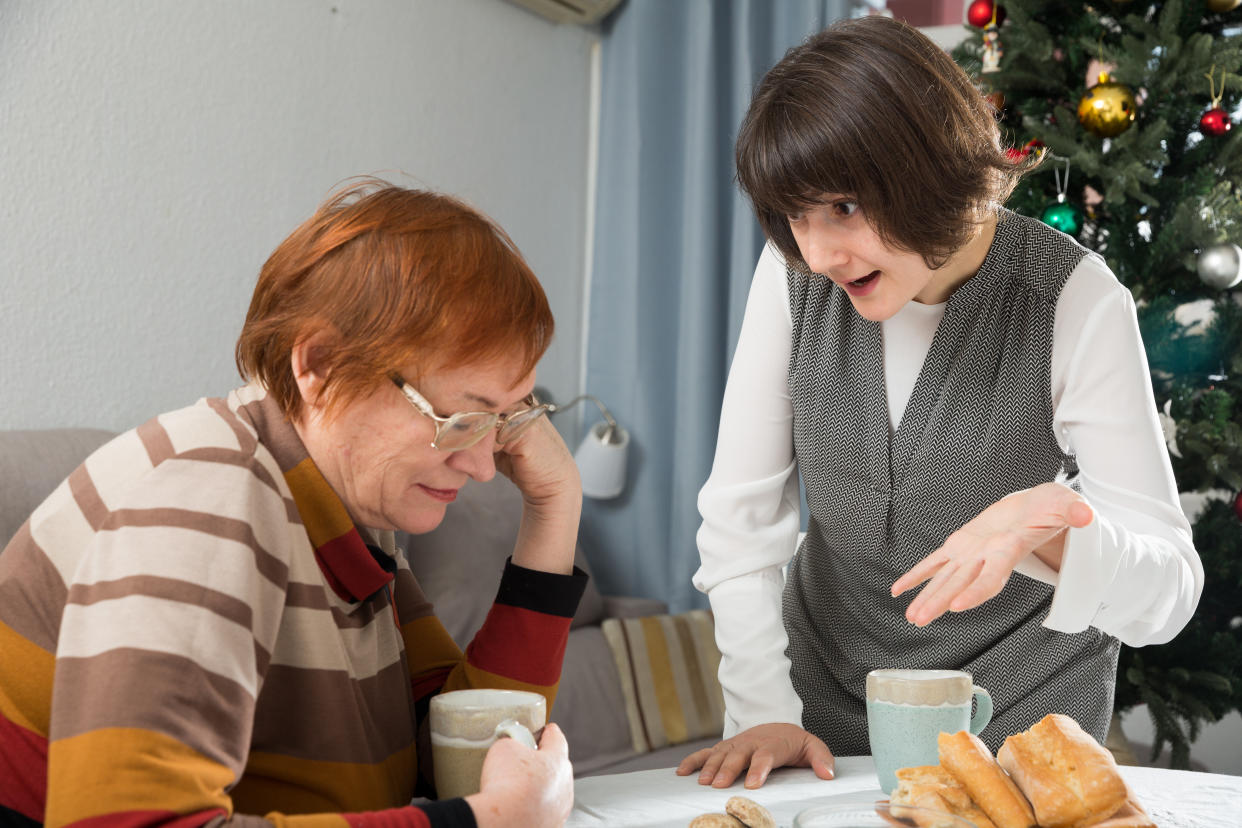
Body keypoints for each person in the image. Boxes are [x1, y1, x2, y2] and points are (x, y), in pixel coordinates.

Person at [678, 16, 1203, 790]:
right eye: (796, 216)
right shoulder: (794, 272)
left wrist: (1044, 531)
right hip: (815, 723)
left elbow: (1170, 595)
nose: (820, 252)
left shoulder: (1076, 299)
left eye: (846, 208)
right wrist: (761, 706)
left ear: (928, 169)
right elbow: (740, 521)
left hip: (1017, 732)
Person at [0, 181, 585, 827]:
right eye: (461, 418)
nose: (482, 466)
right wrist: (482, 823)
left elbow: (458, 751)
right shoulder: (206, 500)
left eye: (506, 419)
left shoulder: (339, 505)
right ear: (323, 365)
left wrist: (555, 509)